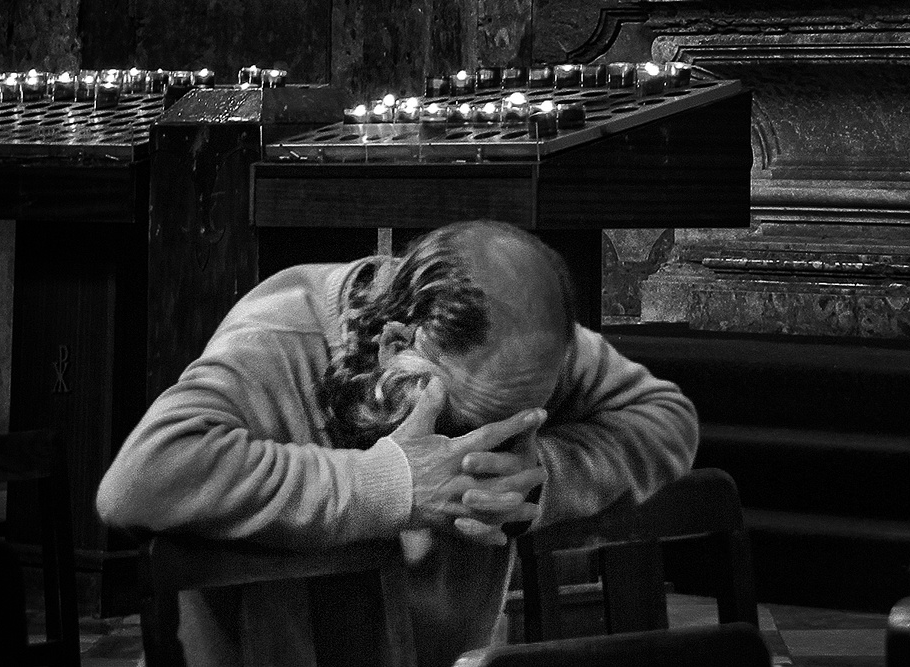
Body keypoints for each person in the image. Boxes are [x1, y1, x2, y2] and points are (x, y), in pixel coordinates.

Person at [98, 221, 697, 667]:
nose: (472, 453)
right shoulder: (282, 335)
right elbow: (139, 480)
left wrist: (539, 473)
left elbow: (666, 418)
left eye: (510, 425)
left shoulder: (522, 350)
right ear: (395, 344)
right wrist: (392, 484)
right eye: (464, 422)